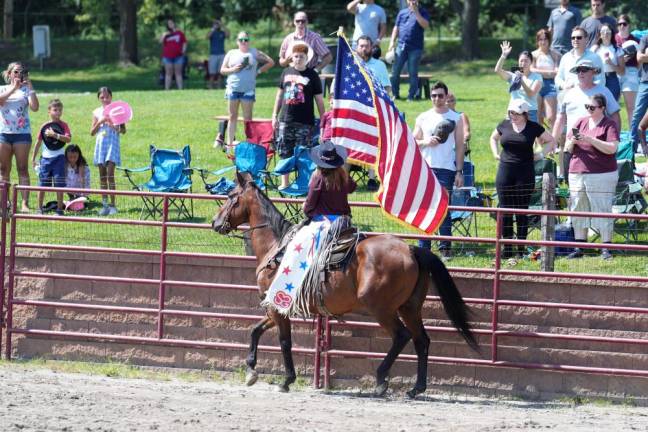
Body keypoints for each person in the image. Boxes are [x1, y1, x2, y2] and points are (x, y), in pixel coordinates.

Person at [264, 141, 356, 314]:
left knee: (296, 245)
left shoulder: (318, 177)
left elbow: (309, 206)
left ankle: (290, 286)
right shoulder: (342, 175)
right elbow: (352, 187)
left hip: (324, 224)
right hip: (344, 222)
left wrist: (306, 208)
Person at [490, 100, 555, 262]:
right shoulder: (504, 124)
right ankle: (507, 248)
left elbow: (551, 140)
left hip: (525, 172)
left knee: (521, 211)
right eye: (511, 113)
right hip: (505, 171)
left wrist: (540, 155)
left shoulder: (534, 127)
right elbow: (493, 138)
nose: (513, 116)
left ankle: (520, 248)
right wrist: (495, 153)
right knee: (505, 210)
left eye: (517, 113)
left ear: (525, 114)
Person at [412, 81, 465, 258]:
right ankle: (423, 248)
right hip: (425, 167)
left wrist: (459, 171)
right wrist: (425, 142)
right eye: (434, 95)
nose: (437, 99)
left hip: (446, 168)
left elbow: (459, 147)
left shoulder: (456, 118)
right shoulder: (423, 117)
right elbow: (412, 142)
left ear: (446, 96)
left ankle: (445, 247)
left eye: (440, 95)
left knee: (443, 207)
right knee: (424, 207)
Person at [564, 94, 619, 260]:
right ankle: (580, 246)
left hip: (602, 173)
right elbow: (567, 148)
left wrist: (590, 139)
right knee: (578, 207)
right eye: (587, 106)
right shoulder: (580, 122)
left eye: (592, 107)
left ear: (602, 108)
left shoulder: (609, 124)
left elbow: (612, 148)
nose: (588, 110)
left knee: (602, 208)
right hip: (577, 172)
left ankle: (605, 247)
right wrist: (573, 140)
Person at [272, 42, 326, 189]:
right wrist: (274, 116)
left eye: (301, 56)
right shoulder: (286, 72)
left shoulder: (312, 75)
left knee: (303, 152)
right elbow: (279, 96)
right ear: (292, 57)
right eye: (295, 56)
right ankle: (285, 182)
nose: (298, 59)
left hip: (305, 121)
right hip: (285, 120)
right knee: (285, 150)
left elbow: (319, 100)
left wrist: (323, 120)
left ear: (306, 58)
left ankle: (303, 182)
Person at [553, 60, 620, 178]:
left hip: (597, 145)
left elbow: (615, 115)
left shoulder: (603, 91)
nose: (580, 73)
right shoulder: (569, 93)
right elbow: (560, 119)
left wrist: (614, 138)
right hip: (573, 144)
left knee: (596, 182)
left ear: (593, 72)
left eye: (584, 70)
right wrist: (553, 141)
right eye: (578, 70)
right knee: (571, 186)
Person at [220, 31, 274, 149]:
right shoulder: (231, 53)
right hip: (233, 89)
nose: (244, 42)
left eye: (246, 39)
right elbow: (222, 70)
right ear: (237, 41)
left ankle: (249, 144)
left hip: (248, 90)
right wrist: (233, 69)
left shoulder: (254, 52)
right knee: (232, 116)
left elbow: (271, 62)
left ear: (249, 41)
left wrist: (258, 71)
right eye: (241, 40)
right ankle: (229, 144)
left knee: (248, 119)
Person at [0, 61, 39, 212]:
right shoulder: (2, 88)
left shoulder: (26, 90)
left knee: (22, 168)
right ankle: (5, 203)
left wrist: (30, 87)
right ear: (9, 74)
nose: (18, 74)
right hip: (4, 133)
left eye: (21, 72)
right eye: (15, 72)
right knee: (3, 169)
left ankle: (24, 204)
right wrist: (13, 89)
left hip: (22, 134)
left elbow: (35, 107)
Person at [356, 35, 391, 191]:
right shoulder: (351, 64)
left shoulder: (379, 65)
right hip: (355, 110)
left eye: (367, 46)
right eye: (361, 46)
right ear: (357, 48)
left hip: (374, 111)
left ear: (371, 48)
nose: (364, 48)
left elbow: (387, 88)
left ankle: (372, 178)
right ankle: (344, 178)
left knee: (374, 143)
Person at [31, 98, 71, 215]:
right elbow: (38, 142)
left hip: (59, 159)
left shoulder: (64, 125)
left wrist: (56, 135)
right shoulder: (44, 126)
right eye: (55, 110)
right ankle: (39, 208)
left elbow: (68, 139)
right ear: (49, 111)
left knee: (59, 184)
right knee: (42, 184)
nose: (58, 112)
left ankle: (59, 210)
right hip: (45, 160)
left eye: (60, 110)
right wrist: (33, 158)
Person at [91, 87, 125, 216]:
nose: (105, 99)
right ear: (99, 98)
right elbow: (92, 132)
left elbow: (123, 130)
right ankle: (104, 205)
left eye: (107, 97)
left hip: (112, 145)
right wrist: (100, 122)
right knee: (102, 176)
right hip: (101, 145)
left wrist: (112, 124)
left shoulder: (117, 111)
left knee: (110, 175)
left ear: (111, 97)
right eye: (102, 97)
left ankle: (113, 205)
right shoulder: (97, 112)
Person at [388, 0, 430, 101]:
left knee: (413, 73)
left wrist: (416, 12)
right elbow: (396, 28)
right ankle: (395, 94)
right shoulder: (402, 13)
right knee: (395, 72)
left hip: (415, 48)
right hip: (401, 46)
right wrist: (391, 42)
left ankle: (411, 96)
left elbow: (425, 25)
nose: (412, 1)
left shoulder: (423, 11)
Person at [495, 41, 543, 122]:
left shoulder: (537, 77)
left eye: (526, 61)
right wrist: (503, 55)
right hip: (514, 112)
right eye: (521, 61)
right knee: (500, 134)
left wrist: (521, 81)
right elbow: (497, 70)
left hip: (529, 113)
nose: (523, 63)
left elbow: (531, 94)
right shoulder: (513, 76)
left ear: (531, 62)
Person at [555, 27, 605, 92]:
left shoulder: (595, 58)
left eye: (579, 37)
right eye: (573, 38)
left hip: (588, 97)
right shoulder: (565, 57)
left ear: (586, 39)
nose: (575, 40)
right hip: (567, 96)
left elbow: (600, 81)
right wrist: (564, 85)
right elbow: (558, 78)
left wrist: (590, 92)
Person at [531, 29, 562, 129]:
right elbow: (532, 70)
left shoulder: (555, 54)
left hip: (551, 86)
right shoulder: (534, 55)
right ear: (537, 41)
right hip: (537, 84)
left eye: (545, 39)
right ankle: (538, 142)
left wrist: (539, 71)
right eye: (540, 39)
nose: (543, 42)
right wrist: (549, 72)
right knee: (537, 116)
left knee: (550, 117)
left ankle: (553, 141)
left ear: (549, 40)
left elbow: (556, 72)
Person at [615, 14, 640, 127]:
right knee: (613, 107)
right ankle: (613, 135)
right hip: (615, 72)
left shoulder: (636, 40)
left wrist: (636, 71)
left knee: (631, 107)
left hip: (631, 72)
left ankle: (633, 136)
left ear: (628, 25)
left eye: (624, 24)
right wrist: (620, 61)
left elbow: (640, 60)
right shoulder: (613, 38)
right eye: (619, 24)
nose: (622, 26)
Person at [591, 24, 624, 102]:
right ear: (600, 34)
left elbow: (622, 71)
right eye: (603, 32)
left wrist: (611, 64)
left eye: (608, 32)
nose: (605, 34)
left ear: (612, 34)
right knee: (597, 106)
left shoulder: (617, 49)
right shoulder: (594, 49)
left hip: (612, 79)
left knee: (612, 106)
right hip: (597, 78)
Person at [630, 33, 648, 156]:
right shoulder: (645, 38)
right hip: (645, 82)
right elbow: (639, 58)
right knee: (637, 114)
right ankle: (631, 148)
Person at [160, 18, 187, 90]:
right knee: (168, 73)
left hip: (178, 56)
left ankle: (180, 89)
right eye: (169, 24)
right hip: (167, 56)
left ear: (174, 24)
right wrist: (164, 35)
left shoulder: (179, 33)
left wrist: (183, 51)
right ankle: (167, 89)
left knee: (178, 73)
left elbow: (184, 42)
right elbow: (161, 42)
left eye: (171, 23)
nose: (170, 25)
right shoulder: (166, 34)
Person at [206, 19, 229, 90]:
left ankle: (219, 87)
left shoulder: (222, 32)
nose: (217, 25)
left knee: (220, 73)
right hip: (213, 55)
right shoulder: (212, 32)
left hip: (221, 54)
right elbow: (207, 37)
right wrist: (213, 28)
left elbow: (228, 35)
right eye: (215, 23)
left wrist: (222, 25)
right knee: (212, 73)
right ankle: (210, 87)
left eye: (218, 23)